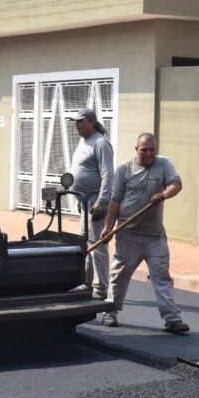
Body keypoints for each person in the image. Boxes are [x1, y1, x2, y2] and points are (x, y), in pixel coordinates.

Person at [100, 133, 189, 334]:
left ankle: (172, 319)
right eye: (144, 150)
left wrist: (163, 195)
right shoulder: (124, 169)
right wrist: (109, 227)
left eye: (152, 149)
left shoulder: (164, 164)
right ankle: (110, 312)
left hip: (154, 235)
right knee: (119, 276)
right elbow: (115, 201)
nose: (149, 153)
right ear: (136, 149)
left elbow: (177, 184)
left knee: (162, 276)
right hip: (128, 234)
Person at [67, 107, 114, 299]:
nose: (76, 125)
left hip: (96, 201)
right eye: (75, 122)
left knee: (97, 245)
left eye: (80, 122)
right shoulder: (83, 141)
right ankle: (87, 283)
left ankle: (101, 288)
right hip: (84, 201)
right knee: (85, 244)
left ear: (91, 122)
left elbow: (107, 174)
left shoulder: (101, 143)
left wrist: (102, 203)